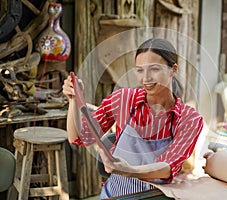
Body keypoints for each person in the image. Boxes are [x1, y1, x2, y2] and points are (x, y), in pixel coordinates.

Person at [62, 38, 204, 199]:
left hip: (156, 196)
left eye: (154, 69)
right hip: (116, 195)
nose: (146, 79)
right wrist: (73, 100)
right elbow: (80, 137)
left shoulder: (190, 119)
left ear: (173, 70)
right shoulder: (123, 100)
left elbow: (168, 167)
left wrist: (128, 171)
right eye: (140, 70)